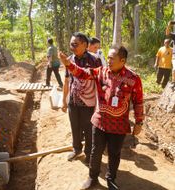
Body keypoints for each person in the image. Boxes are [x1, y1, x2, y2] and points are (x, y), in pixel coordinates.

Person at [59, 46, 144, 190]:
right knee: (95, 151)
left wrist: (139, 122)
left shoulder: (133, 79)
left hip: (118, 125)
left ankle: (111, 179)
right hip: (100, 122)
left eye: (112, 58)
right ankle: (92, 178)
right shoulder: (101, 72)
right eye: (108, 57)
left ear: (122, 60)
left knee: (114, 153)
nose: (108, 61)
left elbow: (138, 101)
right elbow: (82, 73)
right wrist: (68, 64)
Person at [62, 32, 101, 164]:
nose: (72, 47)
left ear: (85, 45)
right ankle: (76, 149)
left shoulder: (95, 60)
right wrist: (64, 100)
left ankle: (89, 153)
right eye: (71, 44)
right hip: (73, 101)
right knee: (75, 128)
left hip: (88, 103)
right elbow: (67, 81)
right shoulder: (69, 60)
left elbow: (99, 83)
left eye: (75, 44)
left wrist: (98, 104)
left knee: (89, 130)